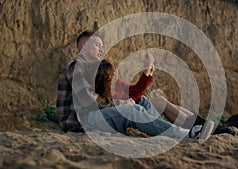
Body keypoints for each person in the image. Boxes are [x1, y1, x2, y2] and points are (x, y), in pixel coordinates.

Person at [56, 30, 214, 140]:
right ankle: (185, 134)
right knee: (131, 109)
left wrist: (144, 76)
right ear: (83, 46)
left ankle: (172, 129)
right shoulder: (76, 67)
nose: (101, 49)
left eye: (102, 46)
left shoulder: (96, 70)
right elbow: (87, 101)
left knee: (142, 102)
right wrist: (121, 103)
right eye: (97, 45)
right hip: (81, 121)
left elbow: (127, 93)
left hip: (96, 116)